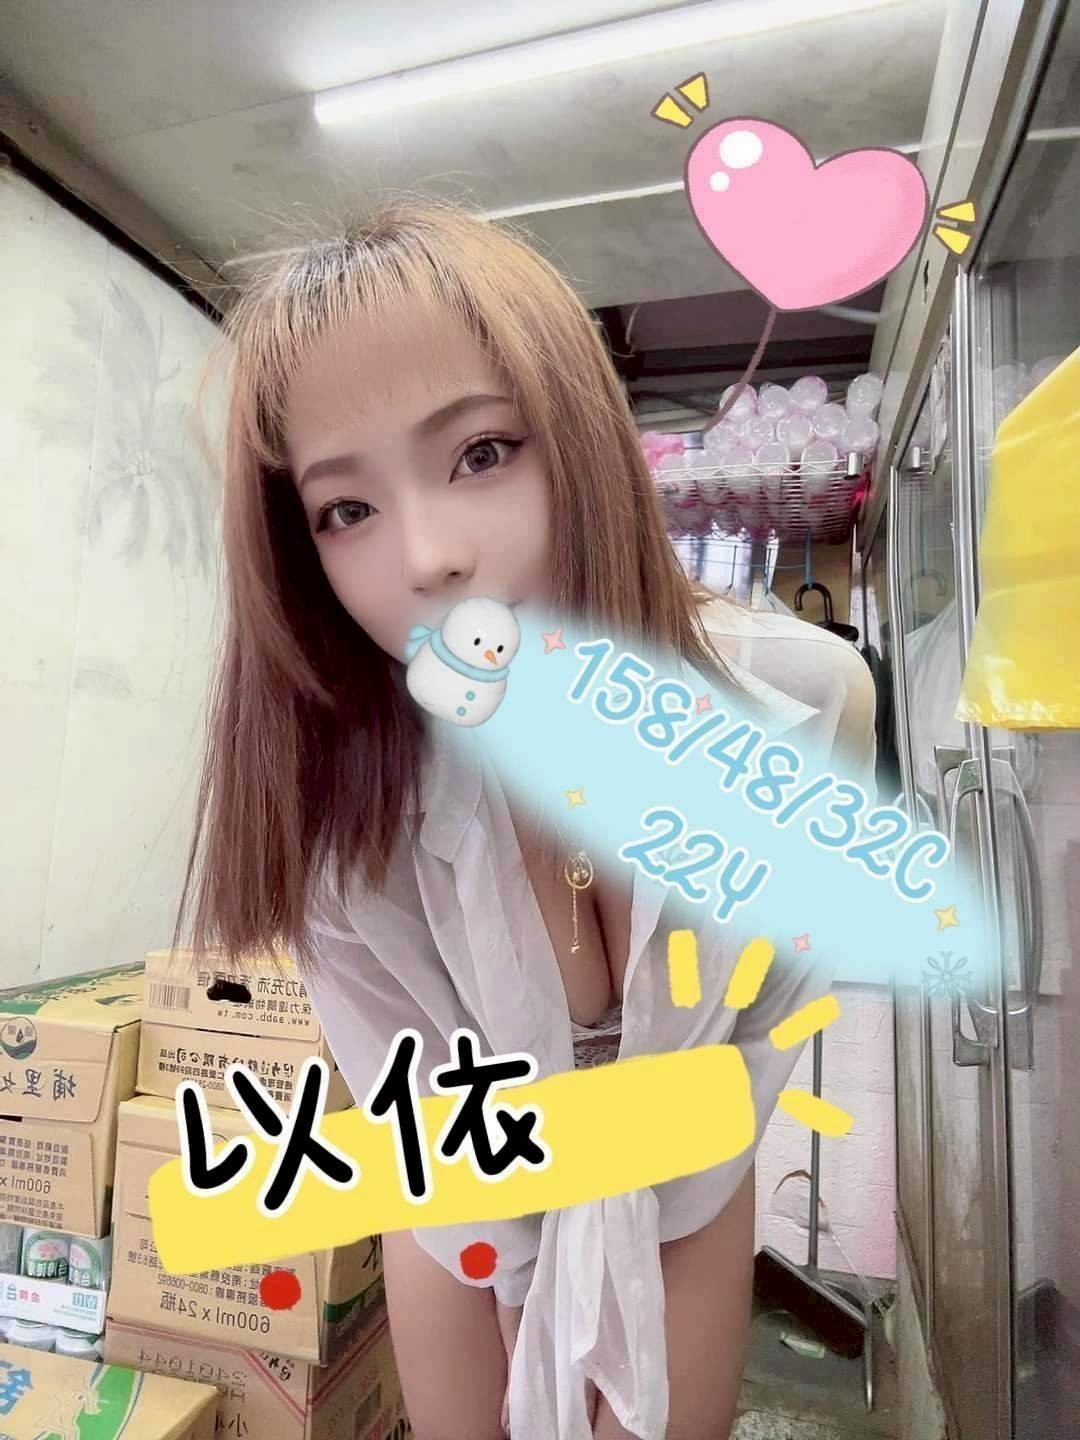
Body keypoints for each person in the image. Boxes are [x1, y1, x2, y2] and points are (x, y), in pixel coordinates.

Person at [175, 195, 875, 1440]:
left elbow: (758, 1034)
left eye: (481, 452)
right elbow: (441, 1133)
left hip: (690, 1159)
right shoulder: (347, 821)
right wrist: (538, 1323)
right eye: (346, 510)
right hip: (470, 1186)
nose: (427, 557)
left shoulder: (808, 710)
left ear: (580, 438)